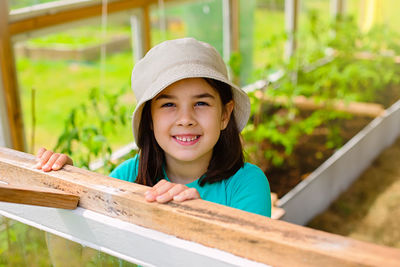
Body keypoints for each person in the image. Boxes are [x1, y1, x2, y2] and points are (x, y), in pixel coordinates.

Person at [35, 37, 271, 217]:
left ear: (225, 114)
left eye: (201, 103)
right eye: (169, 104)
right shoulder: (128, 176)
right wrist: (68, 190)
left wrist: (200, 218)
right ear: (149, 119)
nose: (186, 119)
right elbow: (87, 254)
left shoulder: (247, 184)